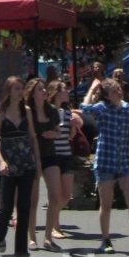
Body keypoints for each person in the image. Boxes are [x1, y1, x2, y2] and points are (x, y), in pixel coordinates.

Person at [80, 78, 129, 256]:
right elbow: (85, 110)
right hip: (106, 161)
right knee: (106, 205)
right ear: (107, 95)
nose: (119, 92)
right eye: (115, 91)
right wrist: (91, 90)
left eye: (119, 89)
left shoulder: (127, 109)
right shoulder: (102, 108)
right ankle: (105, 240)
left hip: (123, 161)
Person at [0, 75, 39, 257]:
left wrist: (38, 163)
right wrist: (0, 161)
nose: (20, 92)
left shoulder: (26, 111)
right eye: (17, 88)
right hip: (7, 163)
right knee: (6, 207)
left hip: (26, 161)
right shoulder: (0, 112)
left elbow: (32, 136)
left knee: (24, 205)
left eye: (22, 88)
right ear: (9, 91)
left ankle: (21, 250)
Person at [25, 78, 61, 251]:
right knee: (33, 200)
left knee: (55, 195)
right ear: (33, 94)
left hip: (50, 154)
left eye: (44, 89)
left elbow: (59, 132)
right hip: (32, 157)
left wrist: (53, 134)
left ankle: (48, 237)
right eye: (40, 89)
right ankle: (32, 237)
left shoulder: (51, 110)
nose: (44, 92)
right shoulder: (27, 111)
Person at [48, 80, 83, 238]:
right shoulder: (48, 110)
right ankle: (55, 226)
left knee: (67, 193)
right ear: (57, 92)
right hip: (52, 155)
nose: (68, 92)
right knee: (55, 192)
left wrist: (74, 125)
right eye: (65, 90)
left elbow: (71, 136)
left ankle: (52, 214)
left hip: (66, 153)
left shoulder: (67, 110)